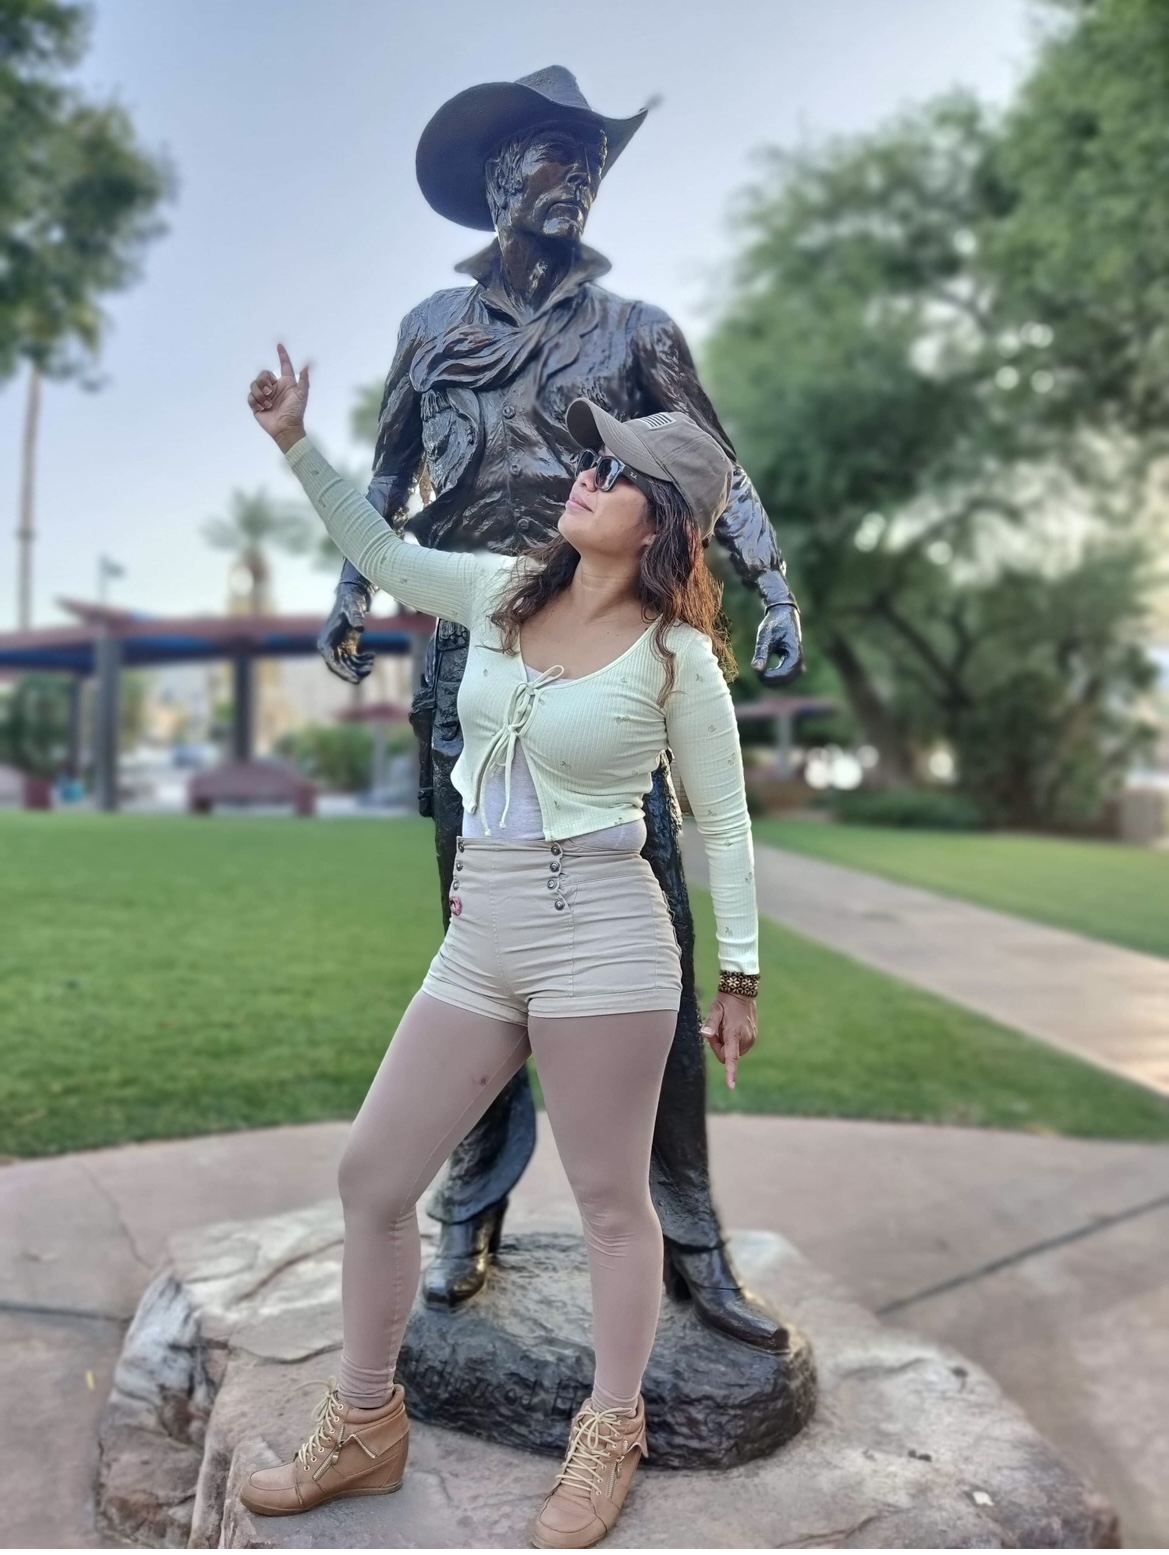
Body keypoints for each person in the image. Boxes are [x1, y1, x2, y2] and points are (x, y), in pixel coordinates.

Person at [240, 345, 762, 1548]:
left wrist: (736, 973)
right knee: (374, 1178)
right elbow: (381, 555)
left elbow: (724, 821)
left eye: (614, 474)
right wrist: (295, 442)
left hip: (605, 943)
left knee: (609, 1205)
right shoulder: (502, 590)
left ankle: (609, 1433)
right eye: (588, 460)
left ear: (661, 522)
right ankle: (363, 1425)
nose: (585, 475)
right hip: (480, 933)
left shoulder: (676, 659)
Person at [316, 67, 802, 1344]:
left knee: (654, 955)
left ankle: (688, 1233)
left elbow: (712, 467)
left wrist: (770, 582)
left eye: (587, 157)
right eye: (548, 151)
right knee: (473, 941)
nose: (573, 174)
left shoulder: (635, 330)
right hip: (473, 653)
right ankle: (468, 1211)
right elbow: (387, 479)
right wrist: (352, 590)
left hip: (613, 670)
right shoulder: (431, 326)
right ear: (496, 180)